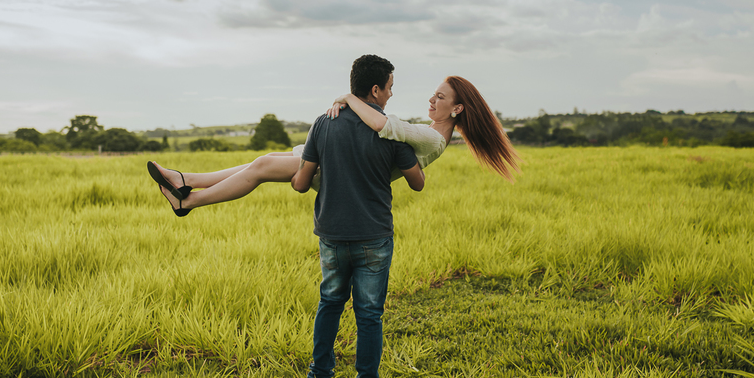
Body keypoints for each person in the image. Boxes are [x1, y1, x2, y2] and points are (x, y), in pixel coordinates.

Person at [145, 75, 520, 217]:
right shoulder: (430, 132)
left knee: (259, 169)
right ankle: (184, 178)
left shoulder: (432, 136)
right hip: (340, 163)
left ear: (456, 108)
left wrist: (347, 97)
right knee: (265, 159)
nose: (431, 101)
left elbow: (381, 123)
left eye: (439, 97)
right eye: (433, 95)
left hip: (336, 174)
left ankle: (188, 200)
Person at [291, 54, 423, 378]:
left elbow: (302, 185)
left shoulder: (322, 123)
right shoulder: (391, 130)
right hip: (374, 237)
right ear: (376, 89)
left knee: (330, 304)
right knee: (369, 315)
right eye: (391, 88)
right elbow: (418, 182)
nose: (392, 95)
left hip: (332, 236)